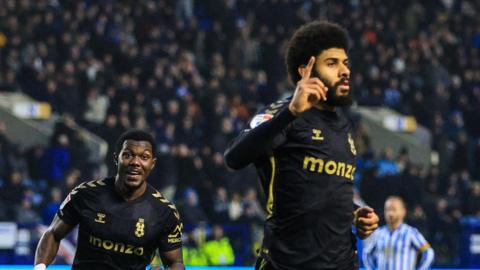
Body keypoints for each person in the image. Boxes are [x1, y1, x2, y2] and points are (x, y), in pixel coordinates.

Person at [224, 21, 379, 269]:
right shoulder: (282, 114)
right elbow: (234, 156)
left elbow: (323, 190)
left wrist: (353, 213)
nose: (345, 71)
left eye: (345, 63)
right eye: (332, 63)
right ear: (305, 70)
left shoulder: (343, 124)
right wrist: (290, 113)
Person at [34, 129, 184, 270]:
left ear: (152, 163)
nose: (135, 162)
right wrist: (39, 267)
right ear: (116, 158)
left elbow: (175, 262)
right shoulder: (86, 194)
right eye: (128, 155)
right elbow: (53, 233)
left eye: (144, 157)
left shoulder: (165, 213)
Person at [362, 196, 434, 270]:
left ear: (403, 211)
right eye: (387, 210)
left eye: (394, 209)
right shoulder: (378, 233)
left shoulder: (410, 233)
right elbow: (367, 254)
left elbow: (428, 252)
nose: (390, 213)